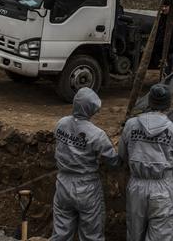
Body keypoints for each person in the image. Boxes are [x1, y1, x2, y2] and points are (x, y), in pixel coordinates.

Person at [119, 84, 173, 241]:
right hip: (162, 187)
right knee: (161, 235)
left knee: (134, 234)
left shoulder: (131, 125)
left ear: (149, 102)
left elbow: (122, 155)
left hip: (136, 186)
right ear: (168, 104)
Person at [50, 88, 120, 241]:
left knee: (60, 234)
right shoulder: (97, 134)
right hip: (86, 187)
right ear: (91, 109)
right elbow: (113, 161)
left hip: (63, 184)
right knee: (91, 235)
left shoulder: (61, 124)